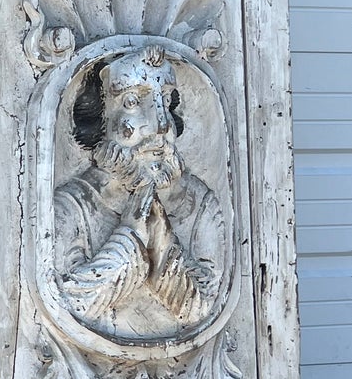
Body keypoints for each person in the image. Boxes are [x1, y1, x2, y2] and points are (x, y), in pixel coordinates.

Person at [54, 46, 226, 341]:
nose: (160, 125)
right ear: (101, 119)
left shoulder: (199, 204)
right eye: (133, 102)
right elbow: (72, 302)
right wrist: (132, 235)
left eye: (164, 102)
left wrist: (160, 237)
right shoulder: (71, 207)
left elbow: (203, 305)